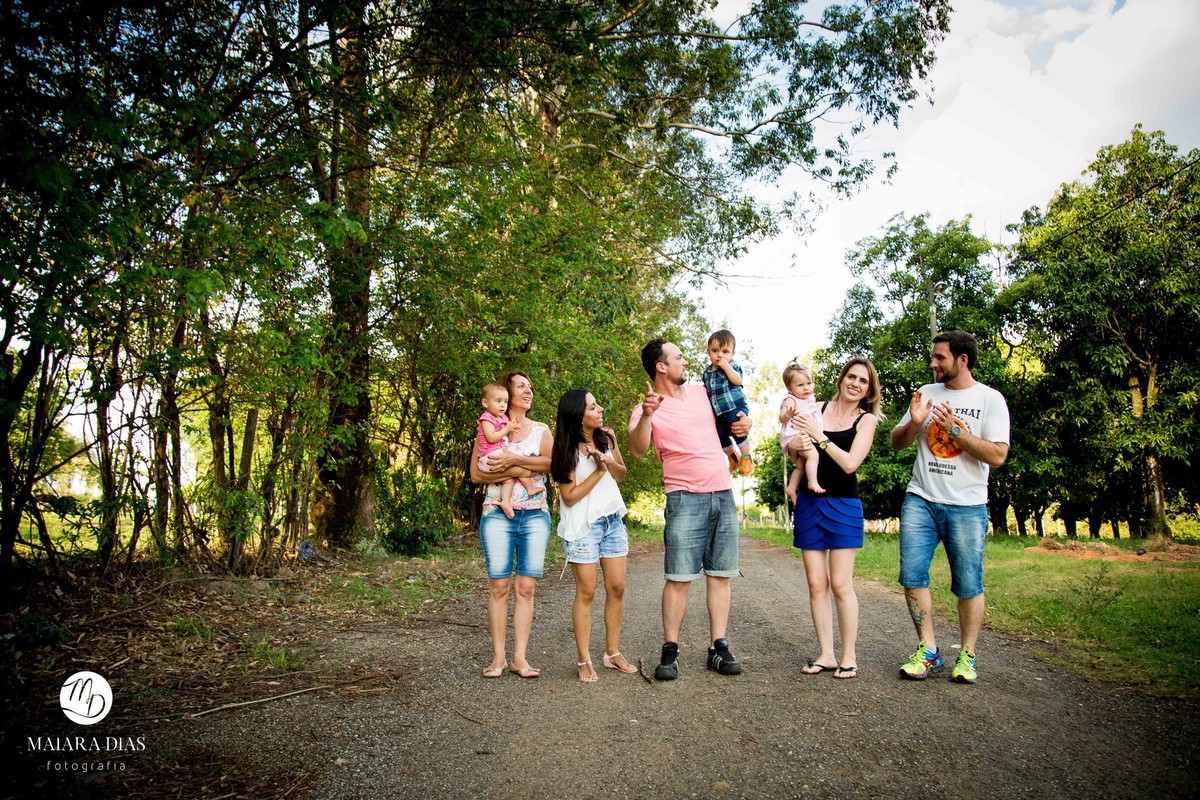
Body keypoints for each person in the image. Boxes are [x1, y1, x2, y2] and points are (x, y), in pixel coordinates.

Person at [889, 331, 1010, 685]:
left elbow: (998, 455)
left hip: (967, 506)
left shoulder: (990, 400)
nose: (933, 363)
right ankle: (928, 651)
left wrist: (955, 431)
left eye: (939, 357)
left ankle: (967, 656)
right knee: (911, 577)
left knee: (969, 584)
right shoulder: (926, 393)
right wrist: (913, 422)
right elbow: (897, 444)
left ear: (962, 360)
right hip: (921, 499)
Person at [629, 338, 751, 680]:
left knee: (721, 574)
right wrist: (648, 415)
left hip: (722, 493)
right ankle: (670, 650)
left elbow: (732, 414)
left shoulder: (703, 391)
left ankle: (719, 647)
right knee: (679, 577)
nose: (685, 361)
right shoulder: (646, 407)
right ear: (661, 367)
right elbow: (637, 449)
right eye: (678, 357)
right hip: (683, 497)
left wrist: (746, 426)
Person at [791, 358, 882, 680]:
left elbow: (849, 464)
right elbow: (792, 446)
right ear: (841, 379)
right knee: (817, 583)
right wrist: (795, 444)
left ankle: (849, 656)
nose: (855, 383)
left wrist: (820, 436)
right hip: (809, 504)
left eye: (863, 381)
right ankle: (826, 654)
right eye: (851, 376)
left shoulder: (867, 420)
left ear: (869, 389)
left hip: (844, 505)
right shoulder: (815, 407)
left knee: (841, 584)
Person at [469, 370, 553, 679]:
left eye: (530, 386)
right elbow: (477, 475)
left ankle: (520, 658)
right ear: (506, 393)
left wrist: (514, 463)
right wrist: (512, 468)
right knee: (499, 585)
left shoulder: (541, 429)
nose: (528, 391)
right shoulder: (490, 427)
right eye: (521, 386)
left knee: (526, 587)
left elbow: (552, 463)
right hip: (496, 513)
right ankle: (499, 658)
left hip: (533, 515)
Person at [550, 389, 638, 683]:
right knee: (586, 591)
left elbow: (622, 474)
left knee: (617, 588)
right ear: (578, 415)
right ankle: (584, 658)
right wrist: (600, 471)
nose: (600, 409)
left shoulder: (606, 437)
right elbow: (570, 497)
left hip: (612, 521)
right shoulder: (564, 450)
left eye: (598, 404)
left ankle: (612, 653)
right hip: (583, 528)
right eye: (592, 406)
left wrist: (608, 461)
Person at [476, 382, 541, 520]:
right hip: (489, 457)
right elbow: (491, 437)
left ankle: (506, 501)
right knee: (519, 466)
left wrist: (513, 426)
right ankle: (529, 487)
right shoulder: (486, 418)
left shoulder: (502, 418)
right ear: (485, 403)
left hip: (497, 453)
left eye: (504, 402)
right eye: (498, 401)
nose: (502, 405)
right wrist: (507, 429)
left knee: (509, 480)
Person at [700, 329, 754, 476]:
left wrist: (726, 366)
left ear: (732, 354)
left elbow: (738, 380)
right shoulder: (707, 373)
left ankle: (746, 457)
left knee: (737, 428)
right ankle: (733, 457)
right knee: (719, 434)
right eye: (715, 350)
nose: (720, 355)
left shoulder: (732, 366)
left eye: (725, 351)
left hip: (735, 407)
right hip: (719, 412)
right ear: (708, 351)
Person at [779, 360, 824, 503]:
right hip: (795, 436)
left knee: (801, 465)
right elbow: (782, 417)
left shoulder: (809, 398)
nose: (806, 388)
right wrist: (787, 415)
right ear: (789, 388)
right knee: (814, 456)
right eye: (800, 385)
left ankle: (791, 487)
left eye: (809, 383)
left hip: (804, 435)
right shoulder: (791, 400)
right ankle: (812, 482)